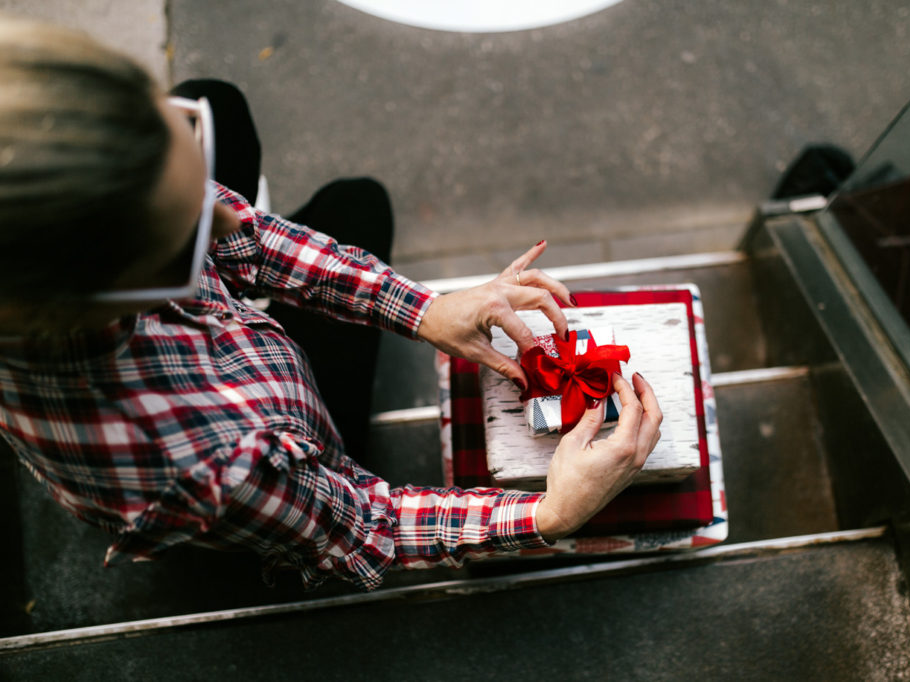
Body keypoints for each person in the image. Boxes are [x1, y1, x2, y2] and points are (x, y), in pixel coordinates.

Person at [0, 17, 662, 591]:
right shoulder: (211, 467)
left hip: (237, 366)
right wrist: (551, 515)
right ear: (111, 287)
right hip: (285, 469)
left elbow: (244, 231)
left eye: (185, 143)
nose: (235, 223)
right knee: (358, 203)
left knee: (217, 101)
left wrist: (422, 311)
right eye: (192, 235)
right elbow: (366, 525)